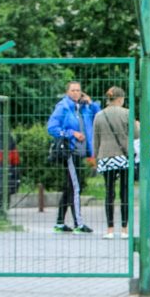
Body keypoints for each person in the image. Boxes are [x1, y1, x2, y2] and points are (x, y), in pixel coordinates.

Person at [47, 80, 101, 234]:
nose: (76, 93)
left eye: (78, 90)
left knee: (70, 187)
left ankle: (59, 223)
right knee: (76, 187)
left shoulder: (83, 108)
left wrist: (91, 102)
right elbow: (52, 128)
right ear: (67, 92)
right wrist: (72, 133)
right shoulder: (63, 107)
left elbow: (99, 115)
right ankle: (78, 223)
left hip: (81, 152)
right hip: (70, 152)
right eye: (73, 90)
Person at [93, 86, 138, 240]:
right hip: (123, 157)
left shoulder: (99, 115)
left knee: (109, 193)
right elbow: (136, 134)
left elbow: (96, 139)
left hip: (105, 157)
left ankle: (110, 229)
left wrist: (96, 156)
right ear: (120, 99)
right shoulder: (126, 113)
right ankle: (125, 229)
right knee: (125, 192)